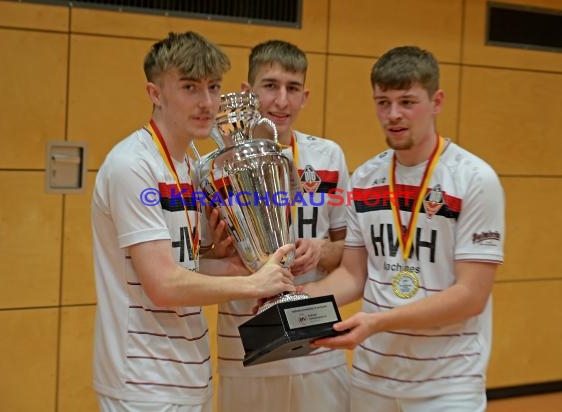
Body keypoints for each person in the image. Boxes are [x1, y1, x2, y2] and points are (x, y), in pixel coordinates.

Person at [91, 31, 296, 412]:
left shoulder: (191, 166)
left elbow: (183, 267)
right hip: (143, 381)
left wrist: (234, 262)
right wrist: (253, 282)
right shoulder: (132, 165)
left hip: (190, 373)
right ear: (155, 93)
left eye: (213, 87)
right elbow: (163, 285)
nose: (206, 102)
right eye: (189, 87)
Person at [304, 46, 505, 412]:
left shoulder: (475, 179)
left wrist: (378, 322)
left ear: (437, 101)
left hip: (446, 386)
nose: (393, 115)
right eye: (383, 102)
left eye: (407, 101)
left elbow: (471, 295)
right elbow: (352, 274)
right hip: (372, 379)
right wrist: (295, 303)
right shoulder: (365, 178)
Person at [210, 40, 351, 412]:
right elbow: (203, 257)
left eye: (292, 88)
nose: (281, 101)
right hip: (247, 349)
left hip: (320, 347)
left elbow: (349, 252)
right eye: (270, 86)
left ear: (305, 96)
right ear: (247, 92)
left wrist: (322, 250)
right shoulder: (217, 166)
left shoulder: (328, 156)